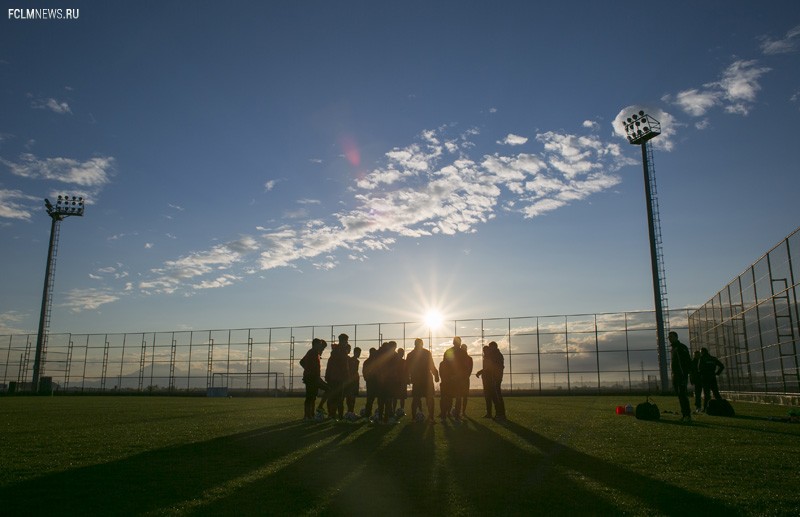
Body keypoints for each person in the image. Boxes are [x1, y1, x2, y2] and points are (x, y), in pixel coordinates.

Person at [406, 337, 439, 423]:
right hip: (426, 379)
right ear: (422, 344)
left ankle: (414, 418)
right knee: (429, 399)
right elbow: (431, 365)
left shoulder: (411, 355)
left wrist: (408, 378)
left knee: (417, 399)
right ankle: (431, 418)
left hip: (418, 380)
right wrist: (436, 374)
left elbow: (407, 369)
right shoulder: (426, 353)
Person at [300, 338, 328, 420]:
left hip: (314, 378)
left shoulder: (315, 353)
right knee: (310, 397)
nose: (320, 345)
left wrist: (308, 369)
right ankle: (308, 415)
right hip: (311, 378)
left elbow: (302, 362)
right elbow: (302, 362)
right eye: (319, 344)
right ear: (315, 345)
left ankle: (311, 414)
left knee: (312, 397)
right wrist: (309, 371)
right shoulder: (312, 352)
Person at [324, 334, 350, 420]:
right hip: (339, 378)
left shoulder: (335, 351)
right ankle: (338, 416)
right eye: (346, 341)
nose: (347, 343)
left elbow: (330, 364)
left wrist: (327, 375)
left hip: (333, 377)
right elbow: (343, 366)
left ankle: (332, 415)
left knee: (333, 397)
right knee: (339, 398)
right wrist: (346, 376)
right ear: (343, 341)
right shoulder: (341, 351)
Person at [668, 331, 692, 422]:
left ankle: (687, 415)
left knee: (683, 394)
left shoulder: (681, 347)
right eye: (669, 337)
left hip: (681, 375)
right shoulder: (673, 348)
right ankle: (684, 414)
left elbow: (687, 361)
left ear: (676, 337)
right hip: (675, 375)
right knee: (679, 395)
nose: (670, 338)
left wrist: (686, 374)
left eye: (671, 336)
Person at [439, 337, 462, 420]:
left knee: (447, 397)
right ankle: (453, 414)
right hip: (453, 379)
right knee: (456, 397)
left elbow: (443, 365)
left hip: (449, 379)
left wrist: (444, 377)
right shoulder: (462, 352)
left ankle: (445, 414)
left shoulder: (449, 351)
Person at [699, 347, 725, 411]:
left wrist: (701, 375)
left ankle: (705, 408)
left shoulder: (702, 358)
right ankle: (721, 406)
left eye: (700, 352)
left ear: (702, 352)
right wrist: (717, 373)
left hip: (705, 378)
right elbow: (722, 366)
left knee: (707, 394)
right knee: (716, 393)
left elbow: (699, 369)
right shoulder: (713, 359)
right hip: (713, 377)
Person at [476, 345, 494, 418]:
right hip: (486, 379)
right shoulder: (487, 358)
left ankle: (490, 413)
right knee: (488, 397)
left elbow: (487, 368)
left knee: (489, 397)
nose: (484, 351)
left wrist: (479, 372)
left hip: (488, 379)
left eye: (485, 350)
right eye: (483, 350)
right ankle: (489, 413)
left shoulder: (488, 358)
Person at [456, 341, 473, 417]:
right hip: (461, 379)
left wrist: (465, 376)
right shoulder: (460, 358)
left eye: (465, 348)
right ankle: (459, 411)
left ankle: (463, 411)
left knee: (464, 396)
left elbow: (470, 369)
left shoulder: (469, 358)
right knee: (459, 395)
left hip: (464, 379)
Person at [345, 346, 361, 414]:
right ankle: (349, 410)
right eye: (358, 353)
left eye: (359, 353)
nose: (359, 354)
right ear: (355, 352)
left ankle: (351, 411)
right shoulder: (350, 360)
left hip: (355, 380)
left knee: (353, 396)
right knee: (349, 396)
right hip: (350, 380)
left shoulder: (357, 361)